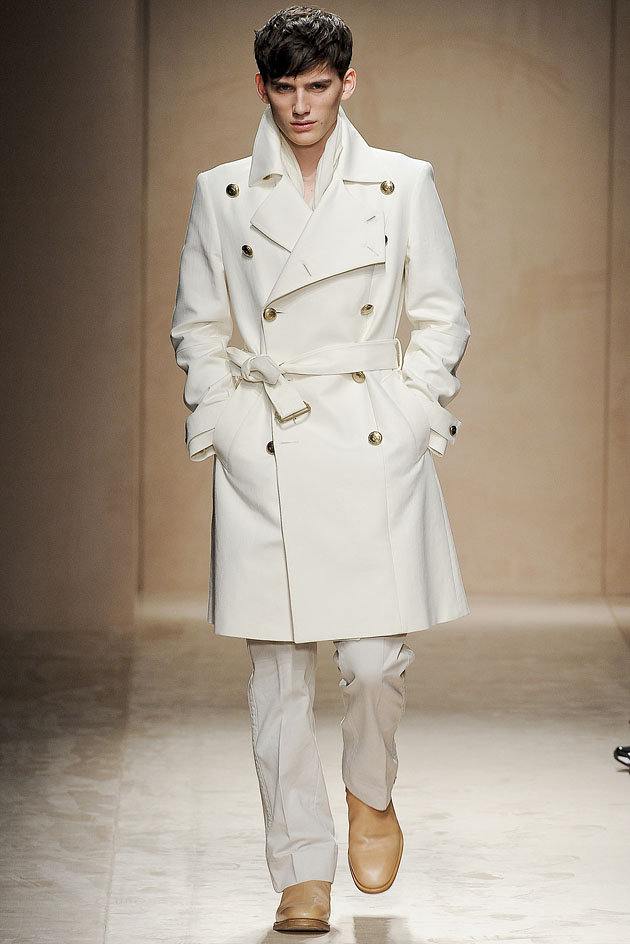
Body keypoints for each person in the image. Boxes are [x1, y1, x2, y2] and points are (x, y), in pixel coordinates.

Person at [170, 5, 471, 934]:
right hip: (269, 442)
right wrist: (224, 424)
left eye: (318, 85)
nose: (302, 105)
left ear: (348, 83)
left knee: (374, 662)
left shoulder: (402, 182)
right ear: (262, 89)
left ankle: (371, 791)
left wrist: (412, 416)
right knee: (278, 678)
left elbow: (441, 313)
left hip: (370, 438)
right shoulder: (222, 194)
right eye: (285, 88)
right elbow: (198, 326)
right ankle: (300, 871)